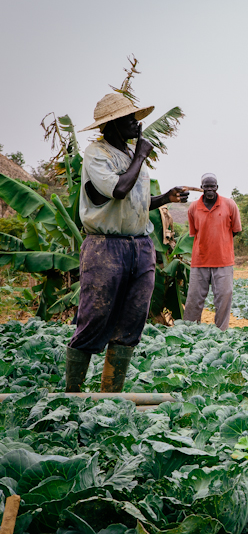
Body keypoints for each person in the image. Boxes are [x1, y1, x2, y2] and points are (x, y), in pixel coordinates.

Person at [64, 93, 189, 393]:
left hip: (140, 245)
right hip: (106, 247)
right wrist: (142, 155)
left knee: (133, 319)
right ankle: (72, 393)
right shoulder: (97, 154)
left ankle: (111, 393)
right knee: (95, 317)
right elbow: (119, 190)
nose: (137, 124)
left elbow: (136, 201)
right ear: (113, 125)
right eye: (130, 120)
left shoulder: (132, 156)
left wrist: (166, 198)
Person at [183, 173, 243, 330]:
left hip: (223, 260)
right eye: (206, 186)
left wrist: (221, 242)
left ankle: (220, 332)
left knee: (223, 298)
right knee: (194, 300)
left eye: (212, 186)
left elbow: (235, 230)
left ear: (217, 187)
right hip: (199, 260)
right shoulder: (193, 207)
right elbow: (195, 232)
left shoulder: (230, 205)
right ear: (201, 187)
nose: (209, 189)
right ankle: (190, 331)